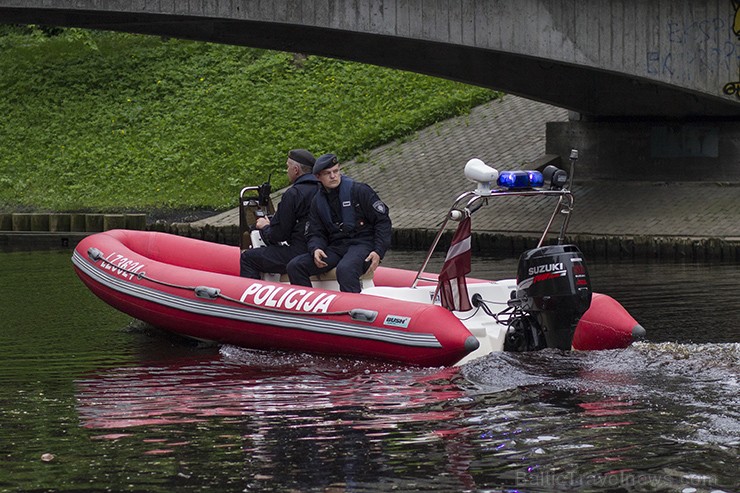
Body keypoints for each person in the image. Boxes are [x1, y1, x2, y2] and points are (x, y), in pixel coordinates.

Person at [286, 153, 392, 293]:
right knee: (295, 266)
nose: (333, 176)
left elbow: (382, 222)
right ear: (318, 177)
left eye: (336, 171)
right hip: (337, 247)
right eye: (328, 173)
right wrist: (316, 248)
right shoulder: (317, 201)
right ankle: (307, 307)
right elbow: (315, 232)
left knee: (345, 269)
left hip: (362, 243)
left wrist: (378, 251)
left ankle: (355, 309)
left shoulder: (360, 191)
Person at [239, 149, 320, 279]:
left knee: (248, 258)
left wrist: (265, 226)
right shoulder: (323, 189)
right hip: (322, 248)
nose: (287, 170)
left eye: (288, 167)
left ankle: (249, 298)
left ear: (295, 169)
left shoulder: (294, 194)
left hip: (300, 252)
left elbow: (278, 235)